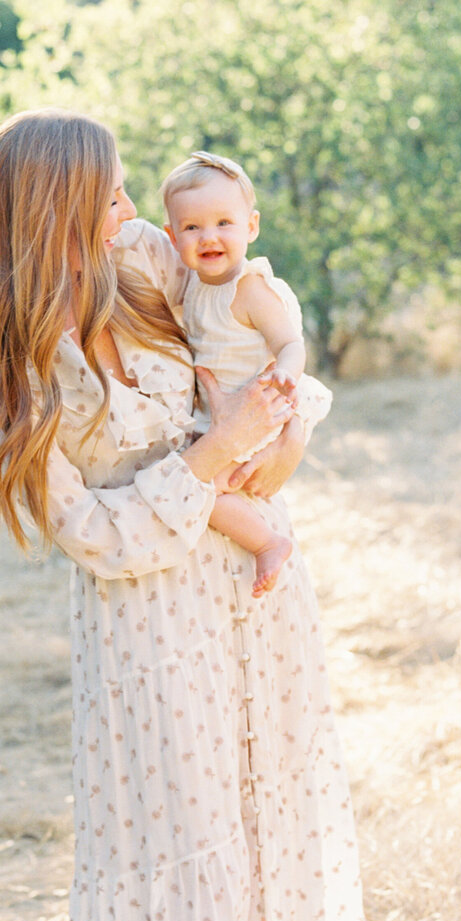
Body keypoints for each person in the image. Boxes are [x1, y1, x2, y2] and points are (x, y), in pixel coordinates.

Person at [0, 109, 367, 921]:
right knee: (163, 846)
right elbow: (89, 530)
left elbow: (245, 316)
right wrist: (218, 461)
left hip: (246, 588)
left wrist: (279, 432)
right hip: (147, 614)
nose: (132, 212)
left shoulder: (138, 259)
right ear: (48, 209)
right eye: (108, 194)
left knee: (239, 823)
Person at [162, 149, 310, 596]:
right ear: (172, 237)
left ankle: (268, 543)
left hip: (252, 415)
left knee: (203, 490)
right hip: (219, 420)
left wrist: (286, 372)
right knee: (193, 482)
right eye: (192, 227)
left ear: (252, 226)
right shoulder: (192, 286)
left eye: (224, 223)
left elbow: (290, 342)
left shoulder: (249, 287)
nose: (209, 236)